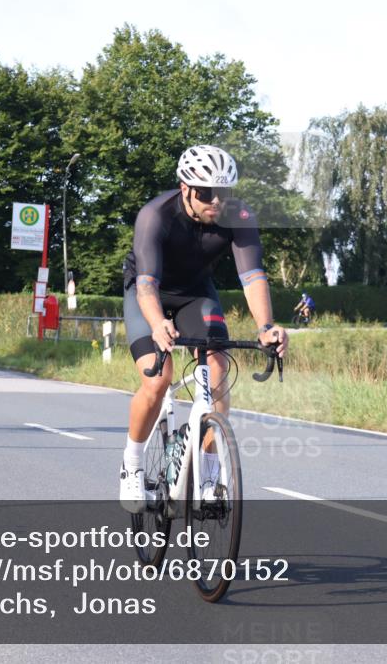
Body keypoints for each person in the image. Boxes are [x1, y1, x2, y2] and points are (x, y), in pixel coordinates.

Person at [119, 144, 289, 513]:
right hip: (149, 292)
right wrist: (157, 323)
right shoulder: (155, 215)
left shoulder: (238, 215)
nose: (216, 201)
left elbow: (252, 275)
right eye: (207, 193)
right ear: (185, 189)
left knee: (217, 371)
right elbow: (146, 283)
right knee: (157, 378)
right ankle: (131, 467)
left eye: (223, 192)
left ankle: (209, 479)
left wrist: (266, 326)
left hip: (196, 294)